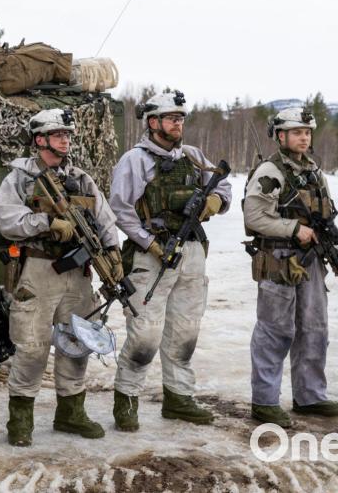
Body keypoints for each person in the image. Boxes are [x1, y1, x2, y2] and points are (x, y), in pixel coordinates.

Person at [0, 108, 121, 447]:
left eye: (68, 134)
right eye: (58, 133)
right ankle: (20, 419)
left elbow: (104, 218)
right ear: (40, 139)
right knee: (32, 346)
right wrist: (46, 224)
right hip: (38, 270)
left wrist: (113, 254)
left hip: (77, 274)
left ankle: (70, 412)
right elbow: (7, 220)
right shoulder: (19, 178)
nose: (66, 138)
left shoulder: (81, 178)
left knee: (76, 342)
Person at [109, 90, 232, 430]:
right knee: (145, 333)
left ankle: (179, 398)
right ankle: (127, 399)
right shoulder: (134, 160)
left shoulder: (192, 156)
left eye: (181, 118)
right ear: (153, 122)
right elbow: (120, 209)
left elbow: (223, 189)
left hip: (191, 254)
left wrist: (214, 204)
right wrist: (149, 244)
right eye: (171, 118)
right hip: (153, 258)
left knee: (184, 331)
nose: (178, 123)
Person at [243, 106, 338, 427]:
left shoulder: (314, 172)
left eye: (307, 132)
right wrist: (293, 229)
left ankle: (310, 396)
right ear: (281, 136)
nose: (304, 137)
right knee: (275, 331)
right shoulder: (270, 173)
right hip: (279, 261)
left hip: (311, 261)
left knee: (315, 329)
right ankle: (265, 401)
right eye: (297, 132)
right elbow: (255, 217)